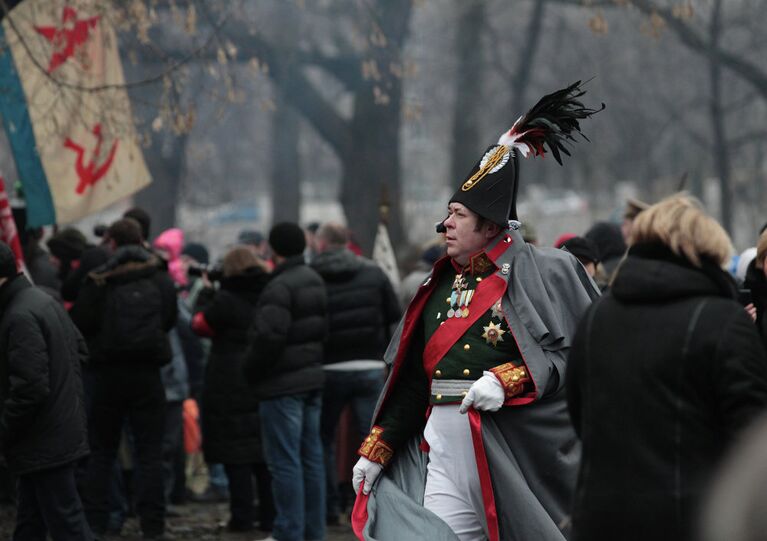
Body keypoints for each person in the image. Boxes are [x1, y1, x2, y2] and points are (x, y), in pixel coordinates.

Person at [351, 81, 602, 541]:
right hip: (443, 439)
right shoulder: (438, 284)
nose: (444, 224)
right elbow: (412, 378)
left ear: (488, 226)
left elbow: (580, 358)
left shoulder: (547, 271)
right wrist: (378, 446)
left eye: (457, 215)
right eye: (448, 213)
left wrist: (506, 379)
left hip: (510, 442)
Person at [566, 195, 767, 541]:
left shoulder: (597, 316)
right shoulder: (724, 321)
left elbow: (579, 416)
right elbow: (751, 441)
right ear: (710, 249)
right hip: (696, 520)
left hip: (600, 518)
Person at [71, 218, 178, 539]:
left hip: (107, 375)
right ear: (143, 240)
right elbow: (169, 319)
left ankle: (97, 523)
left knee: (102, 452)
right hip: (148, 375)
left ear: (112, 243)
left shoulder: (100, 280)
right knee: (150, 453)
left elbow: (81, 322)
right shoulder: (160, 276)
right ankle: (153, 526)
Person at [0, 242, 93, 540]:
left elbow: (30, 388)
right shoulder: (40, 300)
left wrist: (4, 429)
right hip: (53, 431)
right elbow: (79, 351)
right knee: (31, 523)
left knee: (68, 525)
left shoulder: (19, 315)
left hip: (44, 437)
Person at [310, 222, 401, 524]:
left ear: (321, 244)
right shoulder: (374, 273)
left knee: (323, 439)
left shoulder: (313, 277)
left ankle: (328, 507)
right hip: (369, 366)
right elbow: (394, 316)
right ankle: (371, 507)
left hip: (328, 367)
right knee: (371, 440)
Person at [245, 222, 328, 541]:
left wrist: (249, 370)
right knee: (311, 460)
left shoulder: (278, 286)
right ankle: (313, 532)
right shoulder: (313, 279)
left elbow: (269, 337)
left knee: (284, 463)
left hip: (282, 385)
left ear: (274, 249)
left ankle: (288, 532)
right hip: (311, 378)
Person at [191, 246, 275, 532]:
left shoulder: (224, 299)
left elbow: (200, 325)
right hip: (262, 373)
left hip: (226, 377)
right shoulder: (269, 292)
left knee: (234, 452)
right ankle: (269, 516)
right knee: (262, 453)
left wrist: (205, 292)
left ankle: (241, 517)